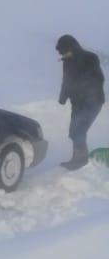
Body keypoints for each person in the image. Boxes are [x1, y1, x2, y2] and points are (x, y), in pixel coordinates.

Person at [56, 34, 105, 170]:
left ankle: (81, 160)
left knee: (79, 130)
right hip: (77, 102)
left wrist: (85, 91)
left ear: (72, 47)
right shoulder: (67, 62)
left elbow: (98, 79)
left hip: (93, 101)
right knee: (73, 131)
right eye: (62, 53)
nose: (63, 55)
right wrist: (62, 97)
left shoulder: (90, 58)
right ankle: (77, 157)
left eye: (65, 52)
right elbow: (66, 81)